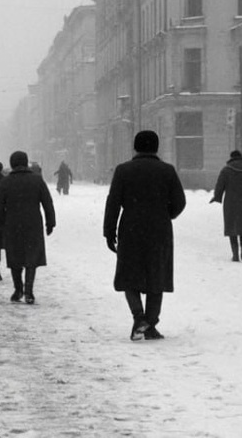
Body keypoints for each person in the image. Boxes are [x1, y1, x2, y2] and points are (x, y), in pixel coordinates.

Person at [103, 130, 186, 341]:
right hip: (159, 230)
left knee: (130, 276)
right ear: (156, 147)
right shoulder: (167, 171)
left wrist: (109, 232)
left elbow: (113, 203)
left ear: (135, 147)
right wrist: (165, 214)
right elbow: (180, 202)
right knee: (156, 276)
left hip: (130, 228)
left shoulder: (123, 171)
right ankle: (150, 324)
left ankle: (139, 317)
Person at [0, 150, 56, 305]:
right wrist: (50, 222)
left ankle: (18, 289)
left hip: (12, 224)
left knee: (15, 258)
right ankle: (29, 291)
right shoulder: (37, 180)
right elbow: (47, 203)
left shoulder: (6, 182)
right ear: (26, 163)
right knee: (31, 258)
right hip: (33, 224)